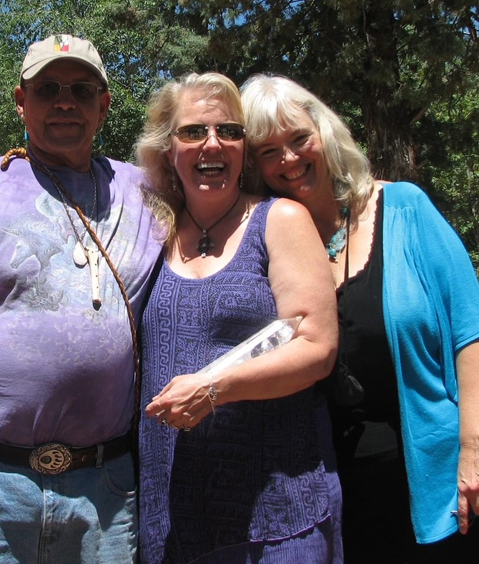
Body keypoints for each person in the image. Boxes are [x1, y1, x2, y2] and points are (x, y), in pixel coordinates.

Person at [241, 74, 479, 564]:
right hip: (347, 493)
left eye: (299, 138)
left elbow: (472, 332)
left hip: (449, 480)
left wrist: (476, 449)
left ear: (325, 133)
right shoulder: (269, 245)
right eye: (268, 151)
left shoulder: (405, 209)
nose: (288, 159)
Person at [0, 34, 162, 563]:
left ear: (103, 105)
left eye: (81, 90)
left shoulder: (148, 193)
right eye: (48, 90)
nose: (65, 102)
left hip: (106, 485)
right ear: (21, 101)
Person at [135, 72, 343, 564]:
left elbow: (317, 347)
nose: (213, 144)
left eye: (229, 131)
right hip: (173, 510)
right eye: (193, 132)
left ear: (243, 149)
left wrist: (214, 388)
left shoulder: (280, 220)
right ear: (167, 148)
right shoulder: (152, 232)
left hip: (276, 510)